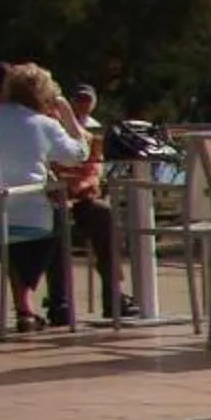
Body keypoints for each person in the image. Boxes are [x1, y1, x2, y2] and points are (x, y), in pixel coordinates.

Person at [0, 62, 91, 334]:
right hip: (28, 219)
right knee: (45, 227)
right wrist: (66, 114)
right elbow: (79, 154)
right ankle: (25, 307)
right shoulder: (43, 124)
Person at [52, 82, 131, 322]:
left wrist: (81, 188)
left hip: (80, 198)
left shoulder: (94, 132)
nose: (82, 103)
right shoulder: (46, 126)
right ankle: (59, 302)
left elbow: (92, 167)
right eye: (77, 99)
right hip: (48, 198)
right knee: (55, 219)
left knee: (103, 216)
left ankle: (112, 296)